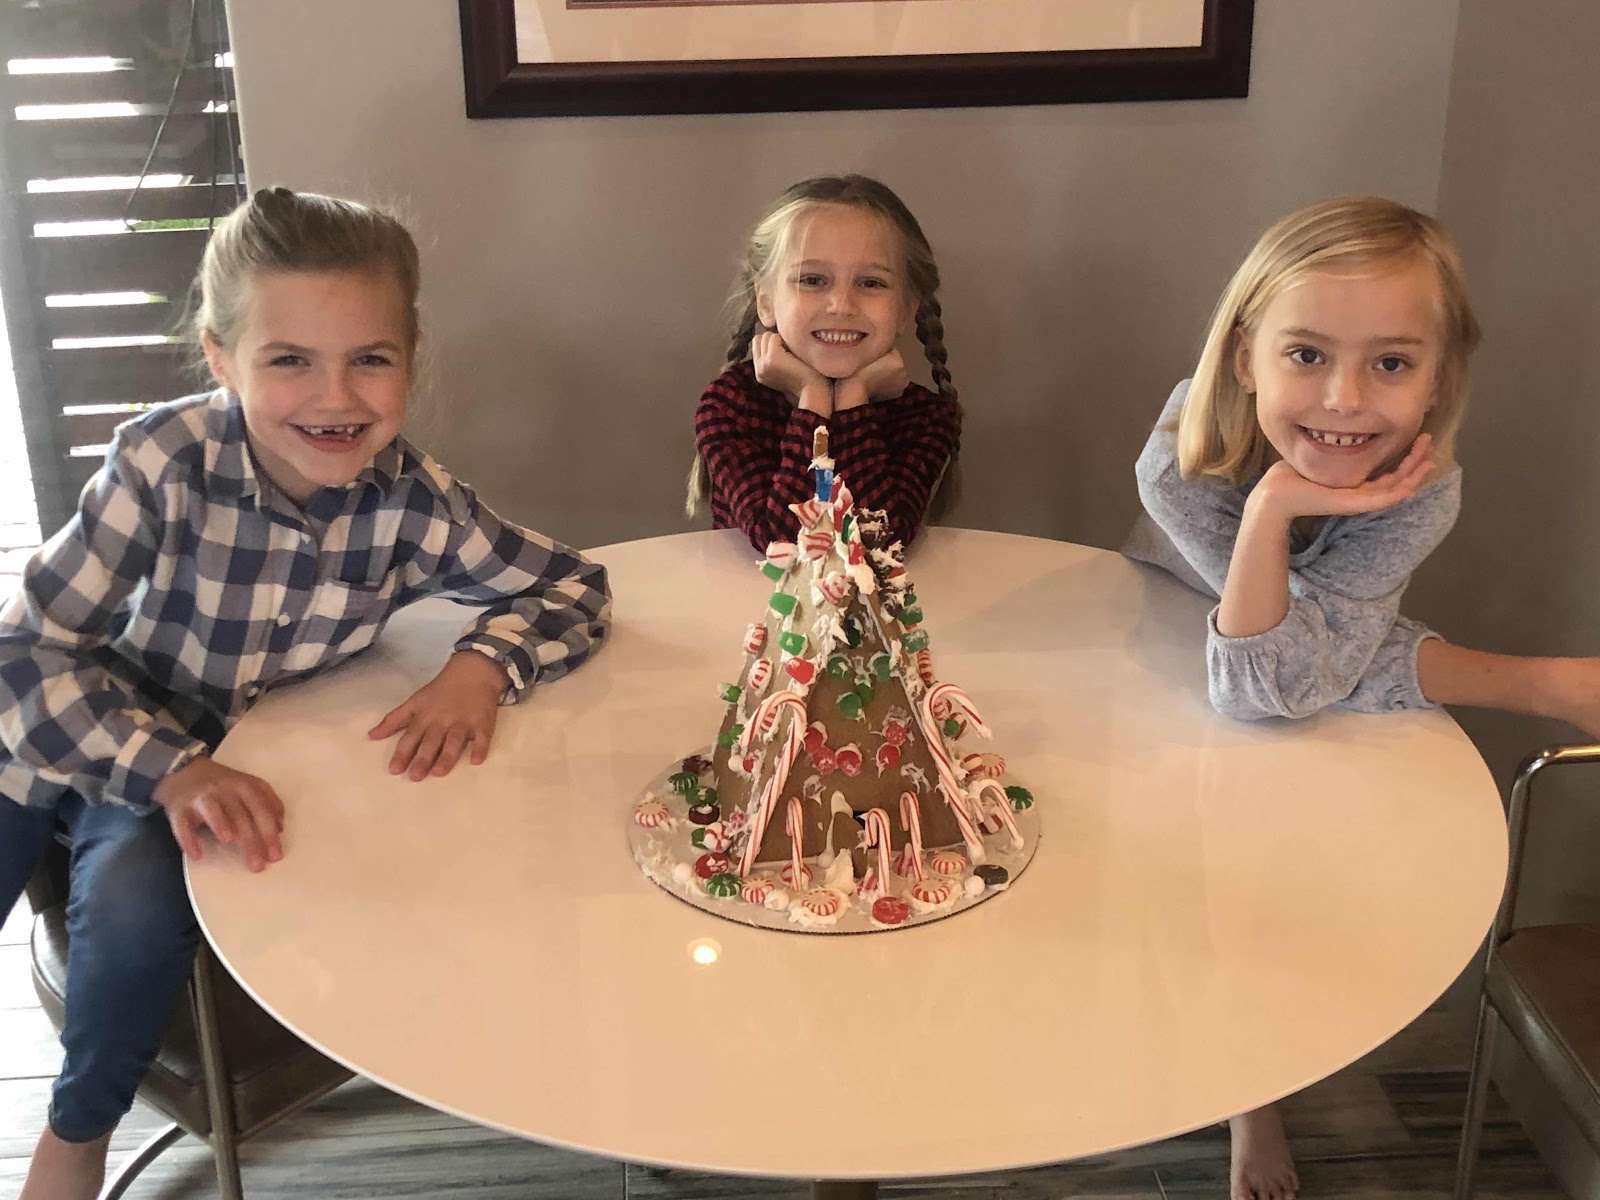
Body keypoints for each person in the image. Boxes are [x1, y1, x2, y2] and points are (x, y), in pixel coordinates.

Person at [0, 187, 611, 1200]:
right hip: (79, 714)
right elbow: (26, 648)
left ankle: (75, 1138)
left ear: (411, 359)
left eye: (370, 358)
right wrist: (170, 769)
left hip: (202, 767)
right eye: (289, 360)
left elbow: (572, 586)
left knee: (136, 909)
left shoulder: (414, 502)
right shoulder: (162, 461)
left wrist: (479, 668)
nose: (336, 397)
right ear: (221, 358)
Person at [1126, 194, 1600, 1200]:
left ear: (1438, 380)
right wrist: (1270, 506)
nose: (1343, 400)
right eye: (1305, 354)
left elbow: (1309, 671)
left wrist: (1297, 592)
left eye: (1390, 362)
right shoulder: (1178, 460)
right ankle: (1249, 1096)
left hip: (1278, 665)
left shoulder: (1424, 491)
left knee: (1265, 881)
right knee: (1196, 878)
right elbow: (1263, 682)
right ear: (1245, 355)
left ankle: (1252, 1080)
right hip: (1171, 633)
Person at [687, 174, 962, 550]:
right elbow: (784, 546)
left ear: (905, 309)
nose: (841, 305)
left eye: (870, 283)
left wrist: (851, 400)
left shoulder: (924, 417)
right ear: (765, 300)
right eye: (812, 280)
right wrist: (814, 398)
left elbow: (875, 544)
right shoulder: (730, 405)